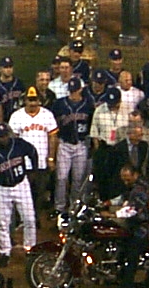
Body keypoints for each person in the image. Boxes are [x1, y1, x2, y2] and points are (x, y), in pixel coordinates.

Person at [0, 123, 38, 268]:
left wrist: (33, 171)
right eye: (0, 137)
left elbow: (33, 152)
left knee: (29, 219)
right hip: (1, 189)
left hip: (21, 185)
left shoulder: (19, 144)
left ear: (9, 134)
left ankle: (30, 248)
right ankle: (4, 252)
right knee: (3, 223)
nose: (3, 139)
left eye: (5, 135)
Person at [103, 164, 149, 288]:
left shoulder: (140, 188)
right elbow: (124, 198)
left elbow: (132, 210)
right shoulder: (133, 186)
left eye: (127, 179)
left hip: (143, 229)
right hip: (134, 226)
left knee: (130, 256)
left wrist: (112, 214)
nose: (125, 182)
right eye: (123, 180)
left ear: (135, 175)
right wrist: (108, 202)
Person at [8, 86, 58, 221]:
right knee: (22, 194)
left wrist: (51, 158)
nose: (32, 103)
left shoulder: (47, 115)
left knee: (39, 193)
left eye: (34, 99)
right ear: (24, 100)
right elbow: (13, 141)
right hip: (23, 163)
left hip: (41, 162)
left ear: (39, 101)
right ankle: (22, 219)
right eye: (29, 100)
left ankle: (34, 219)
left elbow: (53, 137)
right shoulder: (16, 116)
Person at [51, 77, 92, 215]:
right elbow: (54, 124)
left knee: (78, 179)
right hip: (64, 144)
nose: (73, 93)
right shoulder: (59, 104)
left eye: (75, 90)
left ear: (80, 89)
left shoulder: (88, 104)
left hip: (81, 145)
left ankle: (75, 206)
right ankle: (59, 207)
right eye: (71, 91)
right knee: (61, 177)